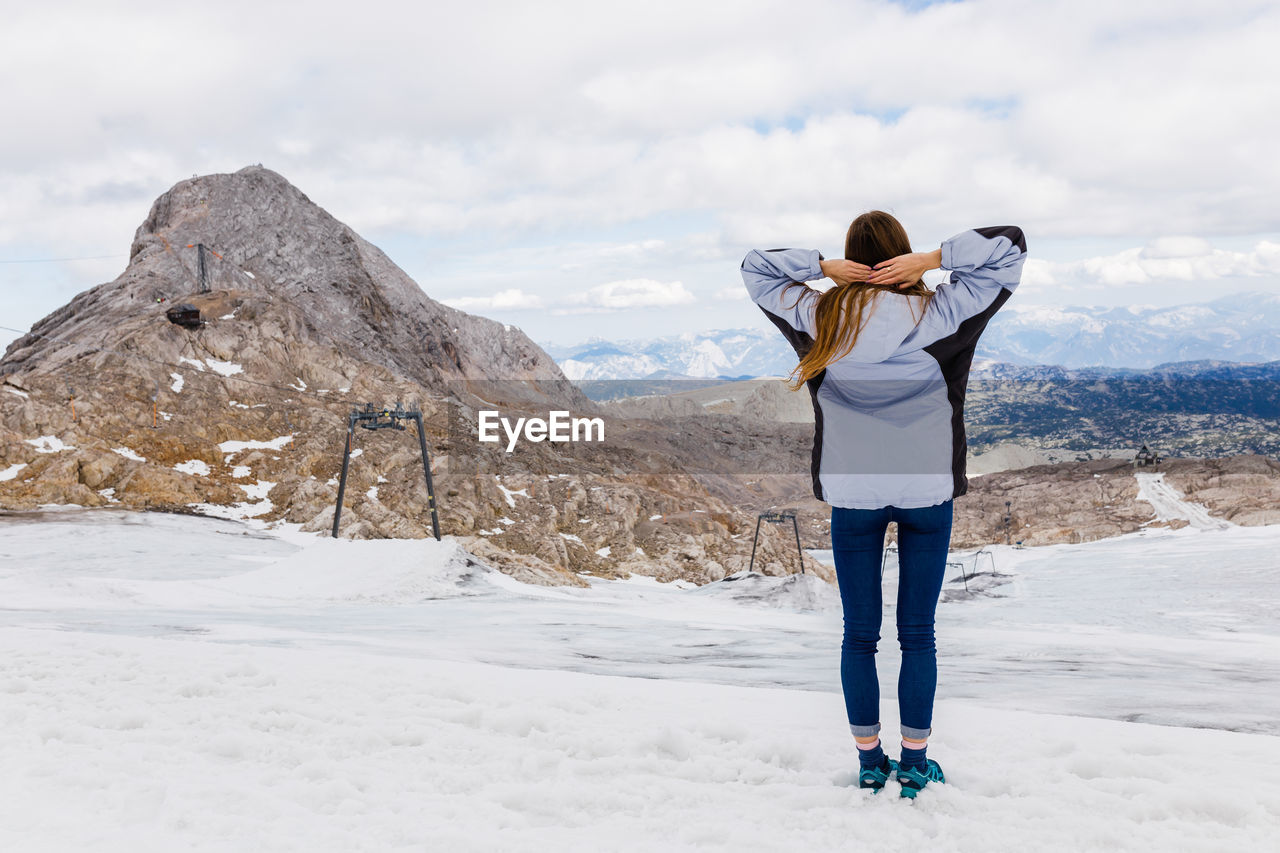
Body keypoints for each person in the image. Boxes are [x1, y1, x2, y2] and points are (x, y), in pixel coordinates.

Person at [740, 212, 1027, 797]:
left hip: (854, 492)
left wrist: (820, 270)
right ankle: (916, 763)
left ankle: (871, 760)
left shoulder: (821, 317)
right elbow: (1010, 248)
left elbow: (756, 269)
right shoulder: (945, 312)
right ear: (900, 255)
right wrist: (934, 260)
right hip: (926, 490)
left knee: (859, 635)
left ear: (851, 257)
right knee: (918, 634)